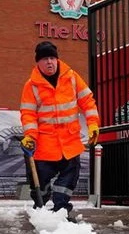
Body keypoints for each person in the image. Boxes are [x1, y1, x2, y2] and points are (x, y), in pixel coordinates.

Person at [20, 41, 99, 218]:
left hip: (70, 143)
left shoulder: (71, 77)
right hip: (45, 145)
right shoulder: (31, 86)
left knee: (68, 178)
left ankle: (61, 210)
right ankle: (40, 207)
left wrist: (93, 123)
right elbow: (28, 114)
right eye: (45, 59)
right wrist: (30, 136)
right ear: (37, 63)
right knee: (39, 183)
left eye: (53, 58)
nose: (50, 62)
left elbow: (87, 101)